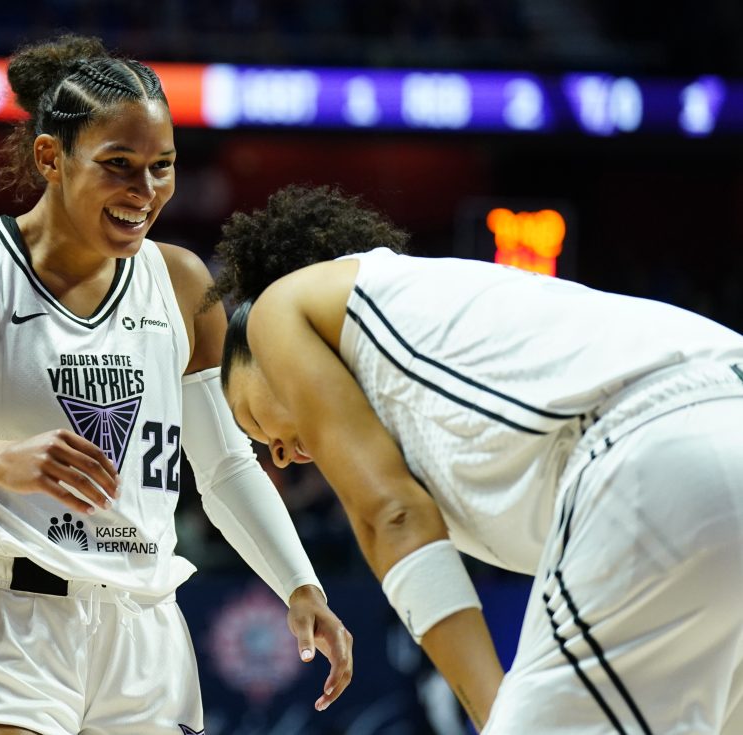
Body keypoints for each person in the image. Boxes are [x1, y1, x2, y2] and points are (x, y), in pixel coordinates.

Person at [0, 37, 353, 735]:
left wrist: (300, 583)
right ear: (51, 158)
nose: (144, 193)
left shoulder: (180, 282)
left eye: (162, 168)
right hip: (4, 623)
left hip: (144, 631)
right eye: (119, 166)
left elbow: (225, 463)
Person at [210, 184, 743, 734]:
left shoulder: (277, 308)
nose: (279, 452)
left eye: (252, 419)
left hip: (659, 442)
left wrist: (497, 718)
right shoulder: (428, 352)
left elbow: (390, 516)